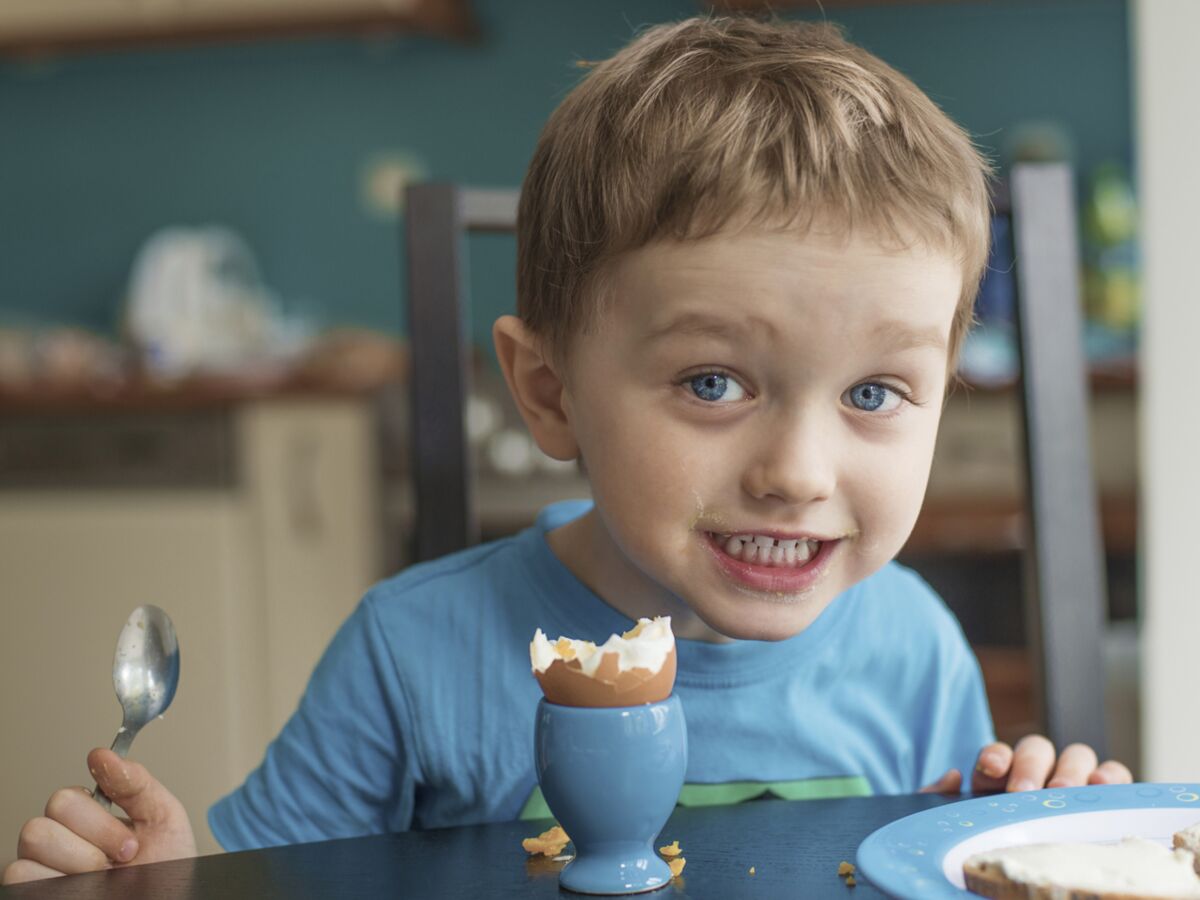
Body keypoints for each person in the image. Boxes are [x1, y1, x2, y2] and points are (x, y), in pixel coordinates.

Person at [3, 14, 1131, 884]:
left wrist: (1026, 835)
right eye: (712, 381)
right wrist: (164, 882)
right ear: (548, 392)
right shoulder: (412, 657)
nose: (798, 472)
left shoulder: (916, 652)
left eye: (877, 391)